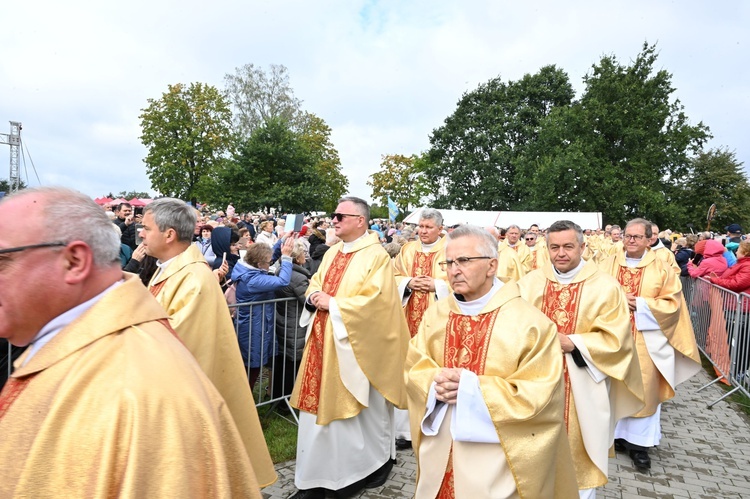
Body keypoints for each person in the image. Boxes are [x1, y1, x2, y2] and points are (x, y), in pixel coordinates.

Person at [0, 187, 261, 497]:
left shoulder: (139, 395)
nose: (140, 234)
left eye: (3, 260)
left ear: (74, 261)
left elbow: (180, 343)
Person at [405, 225, 578, 498]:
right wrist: (433, 382)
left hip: (498, 458)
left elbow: (540, 395)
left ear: (491, 266)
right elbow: (415, 364)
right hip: (440, 446)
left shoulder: (530, 323)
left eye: (464, 261)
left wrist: (470, 388)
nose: (454, 270)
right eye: (449, 262)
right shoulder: (437, 314)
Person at [141, 198, 276, 487]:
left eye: (146, 228)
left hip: (184, 395)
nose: (141, 233)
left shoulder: (194, 278)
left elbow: (174, 340)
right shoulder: (168, 268)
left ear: (169, 234)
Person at [289, 196, 410, 499]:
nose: (334, 220)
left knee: (354, 415)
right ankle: (315, 476)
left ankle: (358, 471)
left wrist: (335, 304)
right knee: (316, 413)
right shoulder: (331, 253)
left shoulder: (376, 256)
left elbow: (378, 303)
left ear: (360, 220)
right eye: (334, 215)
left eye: (340, 215)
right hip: (322, 341)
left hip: (355, 347)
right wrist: (315, 295)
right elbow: (316, 280)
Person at [517, 220, 644, 497]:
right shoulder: (530, 283)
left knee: (579, 456)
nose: (561, 253)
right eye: (554, 247)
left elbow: (617, 340)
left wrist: (573, 343)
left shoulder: (606, 287)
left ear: (582, 247)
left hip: (584, 383)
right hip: (536, 383)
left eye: (568, 246)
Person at [598, 218, 701, 471]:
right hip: (613, 338)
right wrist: (618, 297)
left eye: (636, 236)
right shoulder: (606, 263)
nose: (630, 240)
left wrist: (640, 304)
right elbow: (594, 293)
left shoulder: (662, 267)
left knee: (644, 388)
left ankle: (639, 446)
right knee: (613, 387)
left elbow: (672, 304)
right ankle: (616, 438)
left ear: (649, 240)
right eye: (627, 235)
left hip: (647, 340)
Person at [392, 208, 450, 450]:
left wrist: (437, 285)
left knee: (432, 369)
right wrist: (407, 283)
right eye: (421, 227)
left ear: (439, 229)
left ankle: (434, 423)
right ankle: (404, 430)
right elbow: (392, 275)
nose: (423, 231)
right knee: (406, 369)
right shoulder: (407, 249)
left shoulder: (450, 249)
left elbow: (460, 279)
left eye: (428, 227)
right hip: (406, 320)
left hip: (437, 323)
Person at [231, 237, 294, 389]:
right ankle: (244, 403)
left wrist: (283, 240)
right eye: (267, 262)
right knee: (252, 365)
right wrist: (286, 258)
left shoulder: (247, 268)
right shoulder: (253, 280)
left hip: (256, 324)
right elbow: (282, 281)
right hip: (252, 328)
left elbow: (268, 257)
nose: (270, 263)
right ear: (259, 264)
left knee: (253, 364)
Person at [273, 240, 312, 402]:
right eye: (303, 253)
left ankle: (279, 397)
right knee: (292, 363)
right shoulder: (297, 277)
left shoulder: (281, 270)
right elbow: (308, 302)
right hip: (294, 324)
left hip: (284, 320)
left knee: (284, 362)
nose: (306, 256)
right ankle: (288, 399)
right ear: (296, 258)